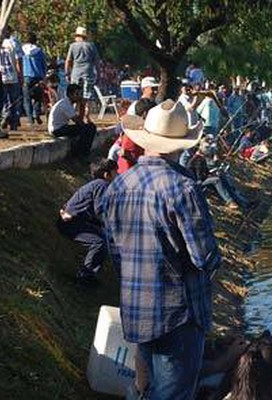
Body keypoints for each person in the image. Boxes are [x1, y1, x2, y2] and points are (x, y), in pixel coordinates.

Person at [102, 100, 221, 400]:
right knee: (171, 394)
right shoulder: (182, 187)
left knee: (148, 389)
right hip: (178, 315)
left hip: (137, 308)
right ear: (180, 145)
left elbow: (115, 252)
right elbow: (204, 257)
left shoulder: (117, 186)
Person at [56, 159, 117, 284]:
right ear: (107, 175)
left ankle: (89, 274)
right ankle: (84, 276)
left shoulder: (97, 184)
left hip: (76, 222)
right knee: (99, 243)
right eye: (115, 172)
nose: (118, 175)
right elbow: (100, 211)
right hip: (72, 223)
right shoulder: (102, 185)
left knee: (104, 239)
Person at [48, 83, 97, 158]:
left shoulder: (68, 103)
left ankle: (80, 153)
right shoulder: (65, 104)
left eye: (80, 94)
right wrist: (82, 106)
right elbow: (79, 121)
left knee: (87, 128)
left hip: (61, 127)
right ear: (70, 95)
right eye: (77, 94)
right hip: (57, 130)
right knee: (90, 128)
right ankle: (82, 154)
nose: (79, 96)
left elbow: (79, 121)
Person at [65, 26, 100, 106]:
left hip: (76, 73)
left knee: (75, 94)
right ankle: (86, 114)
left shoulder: (73, 46)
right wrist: (98, 74)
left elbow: (68, 60)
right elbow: (97, 62)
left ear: (78, 36)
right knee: (87, 95)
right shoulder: (91, 46)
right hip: (88, 72)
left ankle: (74, 112)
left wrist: (67, 73)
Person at [0, 28, 22, 131]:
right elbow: (18, 60)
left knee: (4, 100)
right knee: (15, 101)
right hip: (13, 76)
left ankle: (4, 118)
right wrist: (20, 75)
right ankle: (14, 123)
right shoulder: (13, 42)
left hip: (2, 75)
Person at [22, 32, 47, 126]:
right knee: (38, 98)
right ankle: (36, 114)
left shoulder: (22, 50)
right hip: (38, 77)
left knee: (27, 99)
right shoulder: (39, 51)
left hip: (26, 76)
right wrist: (44, 76)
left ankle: (30, 119)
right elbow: (44, 64)